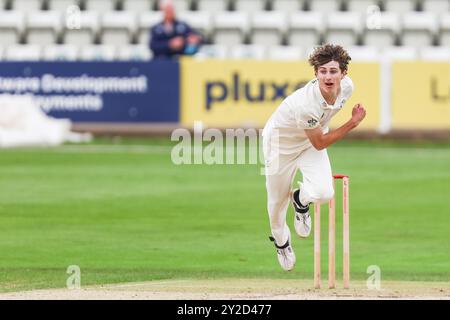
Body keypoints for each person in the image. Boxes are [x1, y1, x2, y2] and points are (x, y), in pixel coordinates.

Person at [262, 44, 366, 271]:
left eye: (333, 71)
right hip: (280, 145)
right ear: (316, 74)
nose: (328, 77)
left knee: (324, 193)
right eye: (323, 71)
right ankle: (281, 242)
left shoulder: (347, 88)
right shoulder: (306, 104)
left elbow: (316, 142)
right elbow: (320, 142)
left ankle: (300, 200)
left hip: (311, 141)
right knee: (277, 205)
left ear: (343, 73)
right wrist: (352, 123)